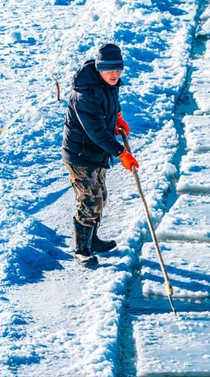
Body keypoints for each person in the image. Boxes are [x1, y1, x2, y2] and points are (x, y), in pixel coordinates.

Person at [62, 43, 139, 267]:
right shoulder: (84, 94)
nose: (115, 74)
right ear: (99, 68)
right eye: (110, 70)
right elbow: (95, 131)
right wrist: (121, 152)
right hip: (81, 154)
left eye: (118, 69)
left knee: (100, 195)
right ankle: (81, 250)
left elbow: (110, 103)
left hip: (96, 152)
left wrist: (117, 117)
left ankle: (93, 240)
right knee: (89, 200)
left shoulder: (108, 83)